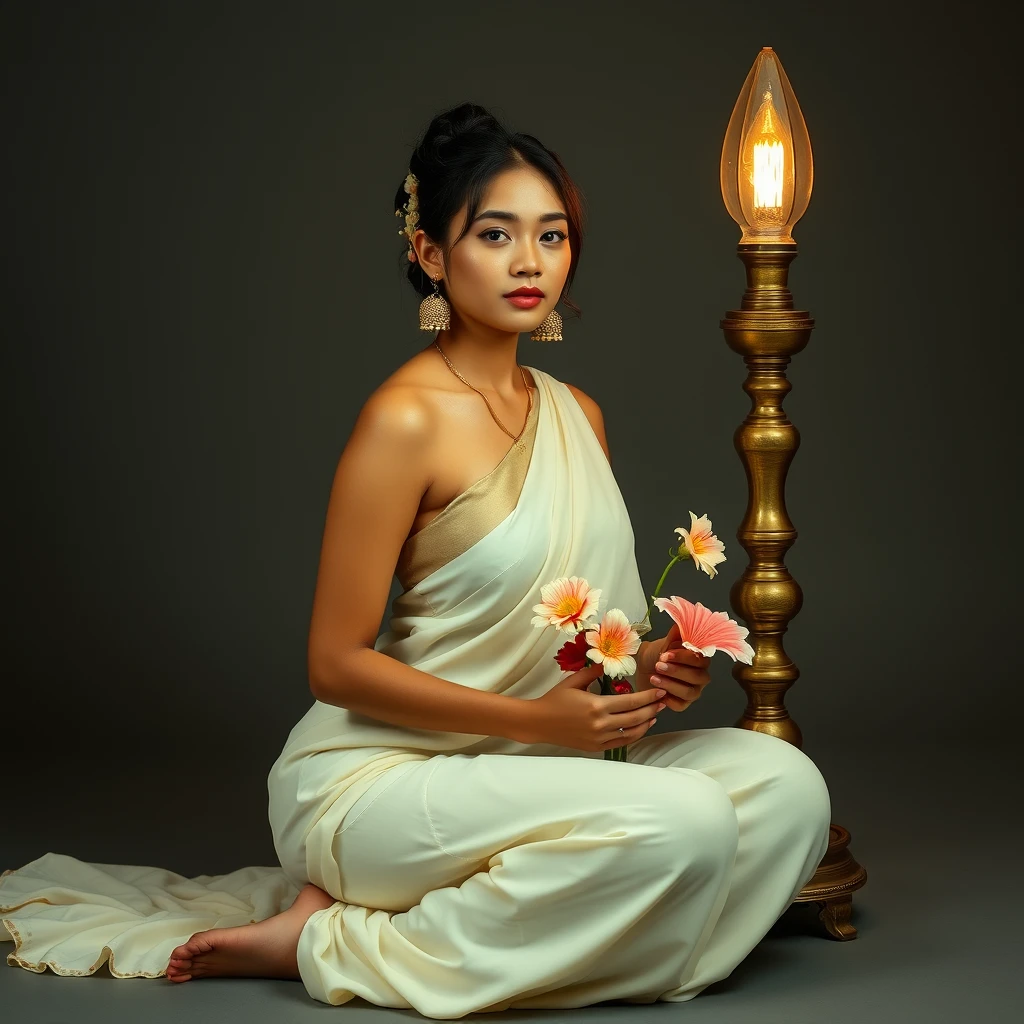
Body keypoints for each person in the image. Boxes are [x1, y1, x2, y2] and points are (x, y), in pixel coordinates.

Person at [1, 102, 831, 1017]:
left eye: (551, 236)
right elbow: (334, 663)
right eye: (495, 234)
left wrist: (657, 676)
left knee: (789, 789)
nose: (529, 262)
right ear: (432, 255)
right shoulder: (405, 418)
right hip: (388, 780)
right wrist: (537, 725)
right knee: (690, 825)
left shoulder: (576, 414)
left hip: (556, 765)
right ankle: (333, 940)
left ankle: (523, 929)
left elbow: (596, 635)